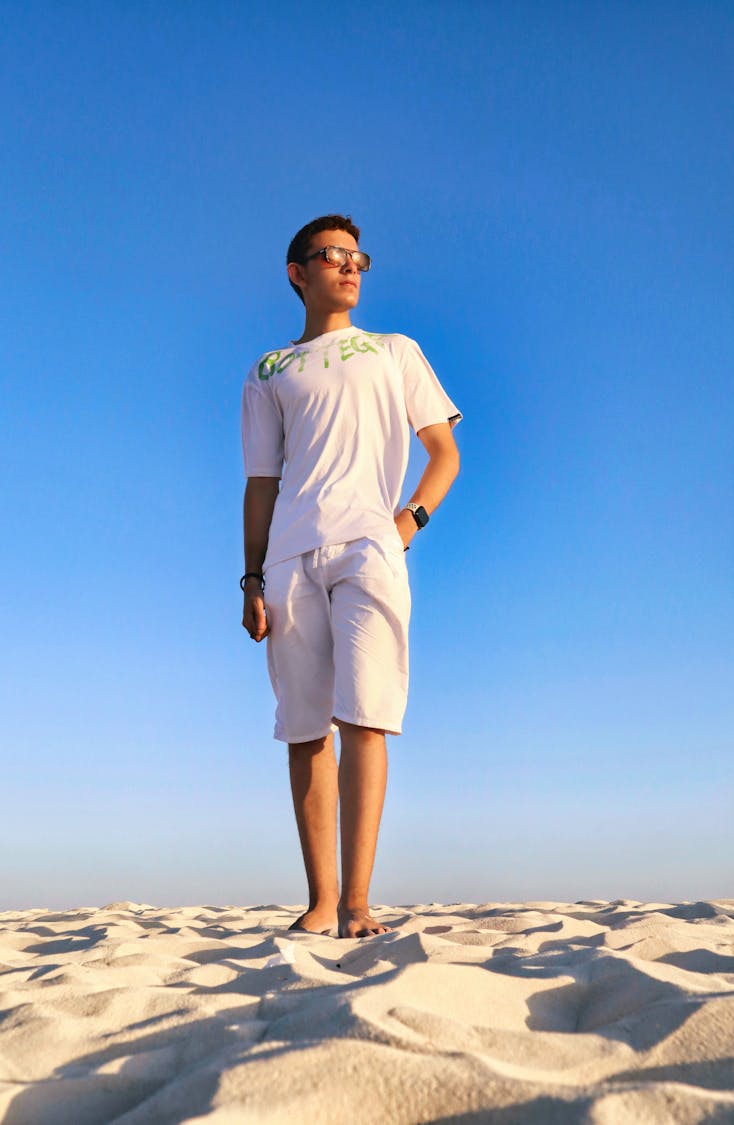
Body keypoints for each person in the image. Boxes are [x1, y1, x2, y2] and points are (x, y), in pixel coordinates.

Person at [240, 215, 461, 939]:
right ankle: (322, 900)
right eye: (331, 256)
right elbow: (262, 484)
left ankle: (360, 902)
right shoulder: (270, 369)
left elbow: (443, 454)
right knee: (305, 729)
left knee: (366, 715)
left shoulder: (394, 351)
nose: (349, 266)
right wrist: (251, 579)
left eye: (357, 256)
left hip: (371, 548)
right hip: (288, 559)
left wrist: (406, 526)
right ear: (297, 272)